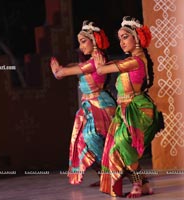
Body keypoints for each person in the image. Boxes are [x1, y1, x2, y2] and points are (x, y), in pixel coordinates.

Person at [95, 16, 164, 198]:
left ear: (136, 37)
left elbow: (104, 69)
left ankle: (137, 183)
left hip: (138, 109)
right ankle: (145, 184)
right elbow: (107, 67)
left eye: (125, 37)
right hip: (125, 110)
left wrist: (100, 64)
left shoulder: (136, 61)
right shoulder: (130, 60)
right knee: (119, 148)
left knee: (122, 142)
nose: (121, 42)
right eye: (120, 38)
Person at [50, 20, 116, 185]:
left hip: (100, 105)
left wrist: (59, 71)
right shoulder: (87, 62)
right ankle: (104, 175)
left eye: (83, 41)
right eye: (79, 42)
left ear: (94, 41)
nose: (80, 46)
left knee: (91, 136)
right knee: (80, 142)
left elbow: (69, 71)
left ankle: (115, 171)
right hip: (88, 108)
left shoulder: (95, 61)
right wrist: (60, 71)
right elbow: (73, 67)